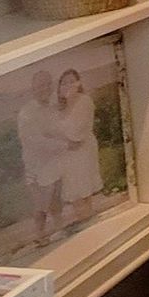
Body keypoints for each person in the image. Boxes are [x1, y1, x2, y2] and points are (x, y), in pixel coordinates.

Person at [14, 69, 65, 237]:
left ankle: (59, 228)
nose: (44, 88)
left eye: (47, 84)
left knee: (56, 198)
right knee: (40, 204)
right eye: (40, 85)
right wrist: (62, 144)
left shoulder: (53, 107)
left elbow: (58, 129)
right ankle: (39, 235)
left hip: (53, 161)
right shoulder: (27, 113)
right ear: (33, 89)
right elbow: (35, 141)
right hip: (35, 164)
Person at [55, 68, 105, 221]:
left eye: (72, 82)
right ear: (59, 87)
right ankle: (83, 218)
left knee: (83, 185)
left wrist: (70, 141)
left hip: (83, 149)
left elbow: (81, 128)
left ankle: (87, 216)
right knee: (73, 188)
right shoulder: (59, 108)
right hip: (67, 152)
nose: (68, 85)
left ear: (78, 83)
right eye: (64, 83)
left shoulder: (84, 101)